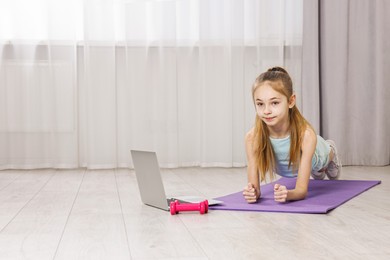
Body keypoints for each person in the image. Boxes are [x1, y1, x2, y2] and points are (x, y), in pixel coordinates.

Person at [242, 67, 341, 203]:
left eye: (274, 103)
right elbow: (255, 188)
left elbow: (301, 191)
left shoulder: (306, 135)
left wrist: (289, 194)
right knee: (313, 171)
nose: (266, 111)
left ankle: (331, 151)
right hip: (293, 166)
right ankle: (317, 171)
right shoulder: (252, 138)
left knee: (321, 161)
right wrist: (252, 193)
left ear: (291, 101)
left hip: (317, 154)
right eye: (260, 104)